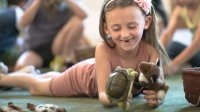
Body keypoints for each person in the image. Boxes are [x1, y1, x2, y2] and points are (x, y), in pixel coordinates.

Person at [0, 0, 169, 108]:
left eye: (132, 26)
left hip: (90, 69)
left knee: (52, 78)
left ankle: (30, 71)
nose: (125, 34)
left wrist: (157, 97)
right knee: (38, 88)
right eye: (116, 28)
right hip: (81, 79)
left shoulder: (151, 51)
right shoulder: (103, 49)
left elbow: (158, 86)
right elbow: (103, 95)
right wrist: (118, 96)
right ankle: (4, 79)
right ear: (106, 28)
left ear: (146, 22)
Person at [14, 0, 88, 71]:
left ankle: (63, 60)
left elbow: (84, 15)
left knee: (78, 22)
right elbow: (22, 23)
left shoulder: (68, 4)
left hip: (57, 48)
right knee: (20, 67)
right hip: (36, 49)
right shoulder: (35, 2)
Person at [160, 0, 200, 75]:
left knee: (174, 48)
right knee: (171, 47)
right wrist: (158, 57)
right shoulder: (181, 8)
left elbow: (197, 43)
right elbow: (167, 34)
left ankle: (187, 66)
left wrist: (175, 64)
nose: (175, 2)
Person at [0, 0, 27, 72]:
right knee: (26, 55)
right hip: (3, 52)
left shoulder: (3, 11)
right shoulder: (18, 12)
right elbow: (25, 36)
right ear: (22, 3)